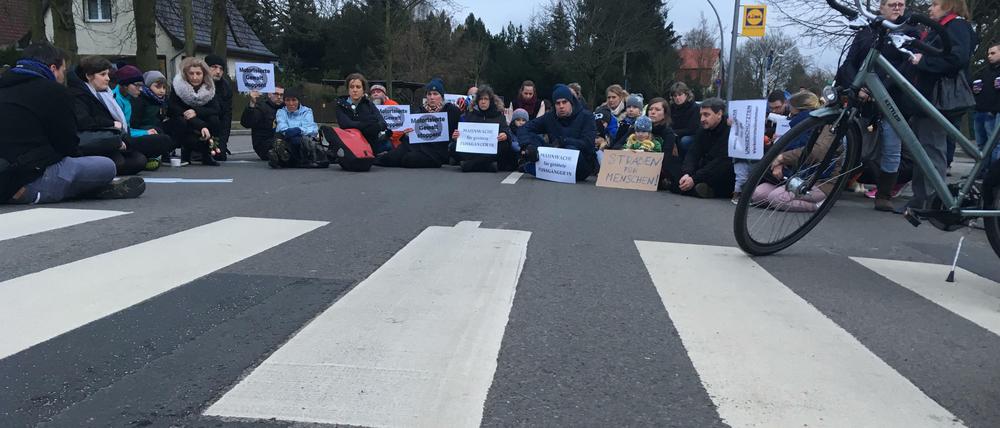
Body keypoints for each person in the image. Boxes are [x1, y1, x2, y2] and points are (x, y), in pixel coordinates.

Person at [1, 42, 143, 204]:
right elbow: (67, 144)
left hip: (4, 171)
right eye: (63, 71)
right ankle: (84, 189)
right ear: (53, 69)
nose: (64, 77)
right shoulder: (54, 91)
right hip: (31, 175)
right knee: (107, 166)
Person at [836, 0, 917, 211]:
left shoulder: (910, 33)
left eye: (901, 4)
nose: (897, 8)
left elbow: (906, 68)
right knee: (847, 143)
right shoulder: (866, 32)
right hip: (862, 97)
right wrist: (857, 87)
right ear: (881, 7)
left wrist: (879, 89)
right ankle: (838, 182)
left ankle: (884, 194)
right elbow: (849, 63)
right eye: (892, 4)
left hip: (892, 98)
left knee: (891, 148)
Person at [904, 0, 977, 210]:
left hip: (937, 99)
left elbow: (958, 59)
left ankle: (931, 200)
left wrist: (923, 62)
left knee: (931, 148)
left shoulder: (957, 26)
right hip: (927, 97)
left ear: (949, 5)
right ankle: (921, 199)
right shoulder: (944, 27)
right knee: (923, 149)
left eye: (935, 3)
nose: (930, 8)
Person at [67, 56, 152, 176]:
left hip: (110, 135)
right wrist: (112, 125)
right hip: (91, 141)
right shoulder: (78, 95)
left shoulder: (104, 93)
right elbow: (84, 121)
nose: (107, 78)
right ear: (89, 76)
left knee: (139, 159)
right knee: (119, 161)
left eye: (107, 74)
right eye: (103, 74)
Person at [516, 84, 597, 181]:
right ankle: (540, 167)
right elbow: (524, 128)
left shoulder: (586, 116)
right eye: (558, 103)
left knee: (570, 149)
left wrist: (564, 141)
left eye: (564, 102)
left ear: (571, 102)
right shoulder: (550, 117)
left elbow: (588, 144)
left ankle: (537, 168)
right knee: (532, 138)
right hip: (555, 157)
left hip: (580, 162)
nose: (561, 106)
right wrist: (528, 146)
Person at [376, 78, 462, 168]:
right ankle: (371, 160)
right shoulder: (419, 111)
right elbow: (410, 134)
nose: (432, 97)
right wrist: (406, 133)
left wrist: (456, 136)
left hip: (436, 152)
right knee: (391, 157)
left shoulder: (452, 111)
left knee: (409, 159)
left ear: (442, 96)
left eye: (435, 94)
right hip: (415, 146)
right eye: (429, 94)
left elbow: (458, 132)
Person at [667, 97, 733, 198]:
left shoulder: (729, 131)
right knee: (674, 164)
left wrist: (694, 179)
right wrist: (687, 173)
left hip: (719, 170)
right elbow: (693, 153)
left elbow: (721, 161)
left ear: (719, 114)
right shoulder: (703, 129)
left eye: (706, 115)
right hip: (704, 169)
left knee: (722, 170)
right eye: (701, 115)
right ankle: (691, 187)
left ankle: (709, 190)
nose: (702, 119)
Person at [113, 65, 177, 170]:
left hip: (127, 136)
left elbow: (127, 128)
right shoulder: (116, 99)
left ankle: (146, 156)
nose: (140, 89)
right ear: (124, 85)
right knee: (163, 140)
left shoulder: (127, 98)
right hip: (120, 139)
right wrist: (144, 132)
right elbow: (123, 130)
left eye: (141, 85)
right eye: (137, 85)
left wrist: (145, 132)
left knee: (160, 135)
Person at [168, 56, 222, 166]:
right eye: (191, 73)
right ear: (186, 74)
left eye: (198, 73)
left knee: (214, 119)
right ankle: (185, 151)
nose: (195, 77)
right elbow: (173, 108)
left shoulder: (209, 88)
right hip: (183, 120)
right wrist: (200, 124)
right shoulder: (178, 87)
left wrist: (196, 111)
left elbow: (215, 109)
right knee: (181, 121)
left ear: (204, 74)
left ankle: (208, 153)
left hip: (200, 119)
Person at [452, 85, 512, 172]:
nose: (483, 102)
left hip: (491, 150)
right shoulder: (470, 114)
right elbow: (463, 134)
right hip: (474, 150)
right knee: (453, 146)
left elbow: (505, 130)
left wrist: (504, 135)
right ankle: (487, 165)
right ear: (477, 101)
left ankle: (470, 165)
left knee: (505, 146)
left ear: (490, 100)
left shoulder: (498, 115)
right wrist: (456, 136)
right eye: (481, 99)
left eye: (486, 99)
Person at [335, 73, 390, 153]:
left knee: (389, 146)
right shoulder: (340, 105)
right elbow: (345, 124)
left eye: (358, 87)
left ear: (363, 89)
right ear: (348, 89)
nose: (355, 90)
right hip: (349, 144)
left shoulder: (369, 104)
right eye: (352, 87)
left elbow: (383, 123)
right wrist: (368, 124)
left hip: (370, 143)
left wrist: (375, 126)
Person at [273, 88, 321, 167]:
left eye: (294, 100)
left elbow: (310, 128)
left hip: (302, 142)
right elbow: (281, 127)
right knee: (279, 136)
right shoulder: (281, 112)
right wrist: (291, 132)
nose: (291, 103)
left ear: (298, 101)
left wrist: (298, 130)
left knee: (299, 139)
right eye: (287, 100)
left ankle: (283, 159)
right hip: (287, 139)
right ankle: (282, 156)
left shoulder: (307, 111)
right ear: (284, 101)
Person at [972, 44, 1000, 168]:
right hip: (980, 110)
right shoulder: (984, 70)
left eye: (993, 53)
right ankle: (981, 170)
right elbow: (974, 85)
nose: (989, 56)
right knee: (981, 144)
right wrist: (974, 89)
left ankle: (993, 172)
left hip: (994, 111)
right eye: (988, 53)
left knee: (994, 144)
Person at [645, 97, 681, 190]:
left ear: (665, 114)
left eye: (657, 110)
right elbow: (619, 144)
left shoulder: (668, 133)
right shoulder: (638, 127)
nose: (653, 112)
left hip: (659, 168)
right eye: (650, 109)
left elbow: (666, 156)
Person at [240, 85, 284, 160]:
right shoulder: (261, 107)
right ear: (269, 94)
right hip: (264, 145)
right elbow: (247, 123)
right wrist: (251, 105)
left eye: (281, 95)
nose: (279, 97)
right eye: (276, 94)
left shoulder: (286, 108)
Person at [205, 54, 233, 161]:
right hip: (200, 126)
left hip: (217, 128)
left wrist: (223, 143)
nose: (218, 71)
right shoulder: (197, 83)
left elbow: (226, 118)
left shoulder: (226, 88)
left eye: (221, 69)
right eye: (214, 67)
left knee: (220, 156)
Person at [669, 82, 701, 157]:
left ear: (686, 95)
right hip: (674, 133)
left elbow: (692, 129)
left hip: (690, 135)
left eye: (680, 95)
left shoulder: (695, 108)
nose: (677, 98)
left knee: (685, 141)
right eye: (675, 96)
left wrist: (673, 132)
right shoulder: (671, 108)